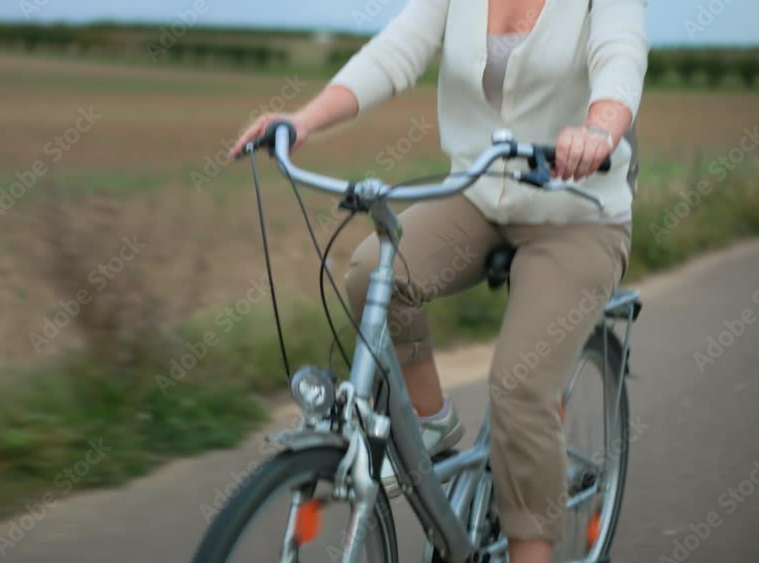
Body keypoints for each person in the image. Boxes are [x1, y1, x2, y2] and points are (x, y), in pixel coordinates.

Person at [230, 0, 647, 561]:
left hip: (578, 213)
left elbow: (620, 59)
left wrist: (598, 131)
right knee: (371, 274)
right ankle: (431, 425)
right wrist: (303, 120)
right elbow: (393, 54)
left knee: (520, 388)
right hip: (479, 197)